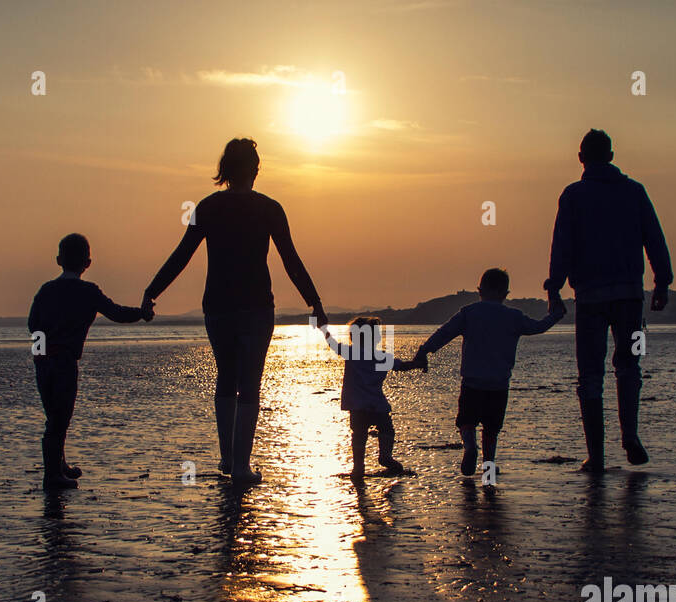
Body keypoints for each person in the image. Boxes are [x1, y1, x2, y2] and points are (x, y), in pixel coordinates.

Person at [142, 138, 326, 484]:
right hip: (256, 306)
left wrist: (152, 292)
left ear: (224, 170)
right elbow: (291, 260)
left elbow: (181, 255)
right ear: (255, 169)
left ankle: (227, 459)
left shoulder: (208, 207)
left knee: (226, 377)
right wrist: (314, 302)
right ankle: (240, 465)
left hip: (218, 306)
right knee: (250, 384)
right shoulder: (270, 208)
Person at [544, 128, 673, 472]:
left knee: (589, 374)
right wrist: (662, 282)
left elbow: (563, 245)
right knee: (630, 366)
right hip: (630, 296)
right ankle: (630, 434)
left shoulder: (573, 196)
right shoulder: (634, 192)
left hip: (589, 298)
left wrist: (554, 286)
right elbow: (654, 239)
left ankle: (597, 455)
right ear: (612, 157)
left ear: (581, 158)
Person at [28, 233, 149, 492]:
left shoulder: (46, 290)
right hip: (64, 361)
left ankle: (59, 466)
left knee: (54, 415)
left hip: (43, 361)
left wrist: (40, 355)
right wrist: (142, 313)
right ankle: (52, 476)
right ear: (88, 262)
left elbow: (33, 324)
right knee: (59, 419)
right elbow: (117, 313)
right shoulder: (88, 292)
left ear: (59, 259)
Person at [412, 268, 560, 477]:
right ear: (505, 293)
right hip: (499, 384)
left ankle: (470, 447)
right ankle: (488, 470)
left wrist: (424, 350)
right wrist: (555, 314)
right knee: (491, 429)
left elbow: (443, 333)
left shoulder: (469, 313)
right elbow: (539, 326)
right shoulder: (514, 316)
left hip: (472, 382)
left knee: (466, 421)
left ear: (480, 290)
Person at [324, 317, 419, 478]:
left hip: (357, 407)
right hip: (378, 406)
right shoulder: (381, 357)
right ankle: (386, 457)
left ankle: (358, 468)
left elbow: (332, 343)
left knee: (359, 435)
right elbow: (403, 366)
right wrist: (419, 363)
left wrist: (323, 328)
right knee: (387, 430)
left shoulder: (352, 353)